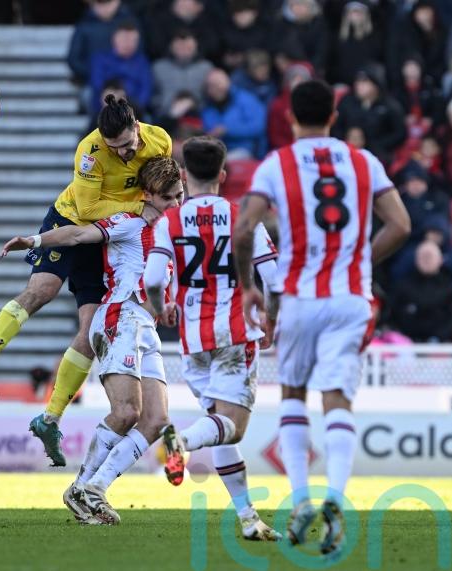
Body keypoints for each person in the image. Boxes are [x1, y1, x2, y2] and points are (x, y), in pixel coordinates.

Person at [233, 79, 410, 555]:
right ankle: (335, 497)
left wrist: (249, 286)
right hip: (350, 296)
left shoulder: (277, 165)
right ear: (335, 116)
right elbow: (401, 224)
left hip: (300, 297)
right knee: (337, 396)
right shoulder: (363, 161)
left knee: (293, 391)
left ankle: (300, 499)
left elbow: (245, 227)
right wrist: (362, 261)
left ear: (291, 118)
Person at [0, 96, 171, 467]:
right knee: (43, 290)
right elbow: (86, 211)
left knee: (90, 330)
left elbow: (159, 180)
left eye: (127, 147)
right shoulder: (89, 151)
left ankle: (49, 417)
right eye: (113, 148)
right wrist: (138, 209)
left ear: (137, 128)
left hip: (109, 235)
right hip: (70, 224)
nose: (121, 154)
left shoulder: (160, 141)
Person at [0, 157, 183, 525]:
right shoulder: (128, 224)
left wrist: (169, 304)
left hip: (146, 325)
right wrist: (34, 239)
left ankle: (89, 488)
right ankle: (87, 488)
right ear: (147, 195)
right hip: (120, 317)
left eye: (180, 196)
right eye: (168, 198)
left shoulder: (172, 232)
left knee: (156, 420)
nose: (176, 204)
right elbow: (77, 234)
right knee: (128, 412)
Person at [143, 136, 283, 542]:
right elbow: (272, 279)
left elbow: (153, 278)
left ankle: (247, 518)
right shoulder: (243, 219)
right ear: (224, 175)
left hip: (192, 337)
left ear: (184, 176)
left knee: (217, 425)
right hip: (236, 333)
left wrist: (162, 305)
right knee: (232, 428)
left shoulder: (169, 222)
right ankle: (178, 441)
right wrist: (271, 319)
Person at [332, 65, 407, 166]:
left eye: (364, 82)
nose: (359, 85)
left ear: (376, 85)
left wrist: (377, 145)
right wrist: (346, 142)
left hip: (379, 158)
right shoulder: (347, 102)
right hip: (346, 155)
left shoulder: (390, 105)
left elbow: (400, 133)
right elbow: (336, 127)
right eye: (358, 81)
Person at [390, 240, 452, 341]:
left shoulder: (449, 287)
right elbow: (393, 315)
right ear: (416, 259)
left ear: (440, 260)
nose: (426, 260)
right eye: (423, 256)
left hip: (440, 345)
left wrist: (439, 338)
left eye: (430, 256)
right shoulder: (403, 286)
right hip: (406, 343)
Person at [201, 68, 267, 159]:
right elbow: (207, 131)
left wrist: (227, 130)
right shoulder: (207, 108)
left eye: (218, 83)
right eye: (211, 86)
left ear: (227, 83)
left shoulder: (246, 99)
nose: (216, 88)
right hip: (216, 152)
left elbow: (258, 126)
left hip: (246, 150)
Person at [89, 22, 152, 115]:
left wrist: (134, 106)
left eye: (133, 40)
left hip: (134, 108)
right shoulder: (100, 58)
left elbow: (146, 88)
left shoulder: (142, 61)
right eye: (125, 39)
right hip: (106, 104)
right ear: (114, 39)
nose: (129, 44)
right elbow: (97, 84)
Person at [67, 0, 138, 83]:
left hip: (125, 81)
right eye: (100, 2)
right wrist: (96, 73)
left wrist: (121, 73)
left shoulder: (130, 23)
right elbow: (74, 59)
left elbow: (139, 55)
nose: (105, 7)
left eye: (108, 2)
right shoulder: (84, 25)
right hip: (92, 81)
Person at [151, 29, 212, 116]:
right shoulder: (158, 68)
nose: (184, 50)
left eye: (188, 47)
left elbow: (212, 98)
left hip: (200, 117)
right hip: (166, 116)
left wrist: (194, 104)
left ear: (195, 46)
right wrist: (170, 105)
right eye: (180, 47)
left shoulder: (206, 68)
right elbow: (152, 98)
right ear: (171, 46)